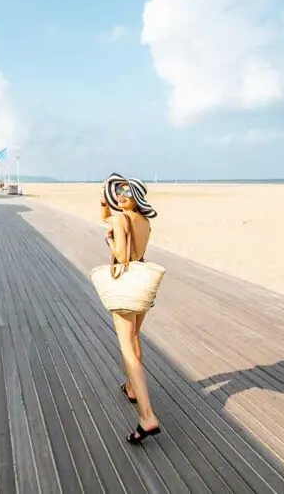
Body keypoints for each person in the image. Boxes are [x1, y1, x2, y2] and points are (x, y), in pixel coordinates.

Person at [99, 175, 162, 444]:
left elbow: (122, 256)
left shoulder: (120, 219)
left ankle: (147, 416)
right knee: (135, 340)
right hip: (142, 283)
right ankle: (131, 388)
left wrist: (110, 242)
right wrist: (105, 203)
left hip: (125, 285)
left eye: (127, 192)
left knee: (127, 348)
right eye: (118, 192)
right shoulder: (144, 221)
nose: (121, 195)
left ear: (137, 196)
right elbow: (109, 218)